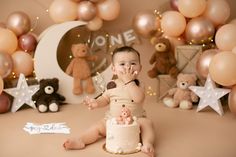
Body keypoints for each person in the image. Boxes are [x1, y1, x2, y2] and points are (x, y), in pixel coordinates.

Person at [63, 46, 155, 157]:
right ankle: (81, 140)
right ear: (114, 69)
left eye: (133, 63)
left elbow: (138, 99)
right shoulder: (112, 84)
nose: (127, 67)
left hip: (136, 121)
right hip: (113, 120)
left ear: (139, 68)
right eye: (122, 64)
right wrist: (96, 102)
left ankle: (147, 144)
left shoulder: (138, 84)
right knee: (97, 126)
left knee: (147, 124)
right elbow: (105, 99)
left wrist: (129, 81)